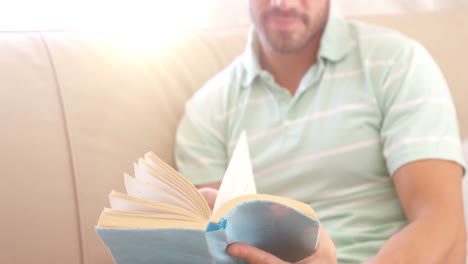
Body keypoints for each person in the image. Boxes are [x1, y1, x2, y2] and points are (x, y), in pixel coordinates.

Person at [175, 0, 467, 263]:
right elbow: (217, 250)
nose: (282, 3)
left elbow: (444, 227)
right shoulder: (206, 111)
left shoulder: (397, 63)